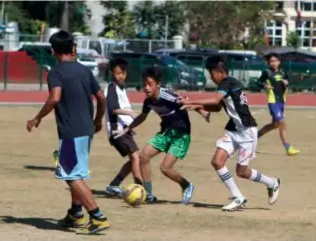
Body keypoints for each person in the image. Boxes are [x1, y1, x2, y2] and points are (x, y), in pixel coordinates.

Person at [26, 30, 110, 234]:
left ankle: (98, 217)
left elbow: (55, 97)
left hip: (71, 132)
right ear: (73, 48)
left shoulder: (56, 72)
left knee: (71, 175)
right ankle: (76, 213)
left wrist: (37, 117)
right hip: (86, 129)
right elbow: (101, 97)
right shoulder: (84, 70)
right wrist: (98, 120)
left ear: (53, 50)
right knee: (78, 172)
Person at [178, 55, 280, 211]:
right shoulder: (227, 83)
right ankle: (238, 197)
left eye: (211, 73)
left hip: (247, 131)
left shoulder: (227, 82)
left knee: (242, 172)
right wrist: (198, 107)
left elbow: (215, 100)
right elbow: (218, 107)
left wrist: (191, 101)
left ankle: (272, 183)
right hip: (234, 129)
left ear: (219, 71)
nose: (211, 77)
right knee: (217, 162)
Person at [113, 66, 210, 204]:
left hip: (181, 135)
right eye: (145, 84)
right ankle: (149, 194)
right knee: (144, 155)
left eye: (150, 84)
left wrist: (203, 112)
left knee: (165, 168)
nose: (146, 87)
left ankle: (186, 185)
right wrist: (127, 128)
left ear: (158, 84)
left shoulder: (167, 96)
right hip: (165, 132)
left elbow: (188, 102)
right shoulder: (148, 101)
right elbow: (142, 116)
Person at [104, 58, 143, 197]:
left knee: (134, 158)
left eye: (123, 73)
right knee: (135, 155)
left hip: (123, 129)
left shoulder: (121, 88)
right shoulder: (111, 88)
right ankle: (140, 188)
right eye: (117, 73)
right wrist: (131, 113)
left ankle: (114, 185)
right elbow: (113, 109)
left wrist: (130, 126)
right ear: (111, 74)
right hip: (116, 130)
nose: (120, 75)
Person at [257, 53, 299, 156]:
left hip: (281, 101)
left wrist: (287, 82)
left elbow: (291, 80)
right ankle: (288, 147)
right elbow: (258, 82)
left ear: (279, 62)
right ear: (269, 63)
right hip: (273, 101)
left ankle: (255, 136)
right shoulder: (266, 72)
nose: (274, 63)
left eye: (275, 61)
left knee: (275, 125)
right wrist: (265, 85)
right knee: (281, 122)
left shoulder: (283, 72)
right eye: (271, 61)